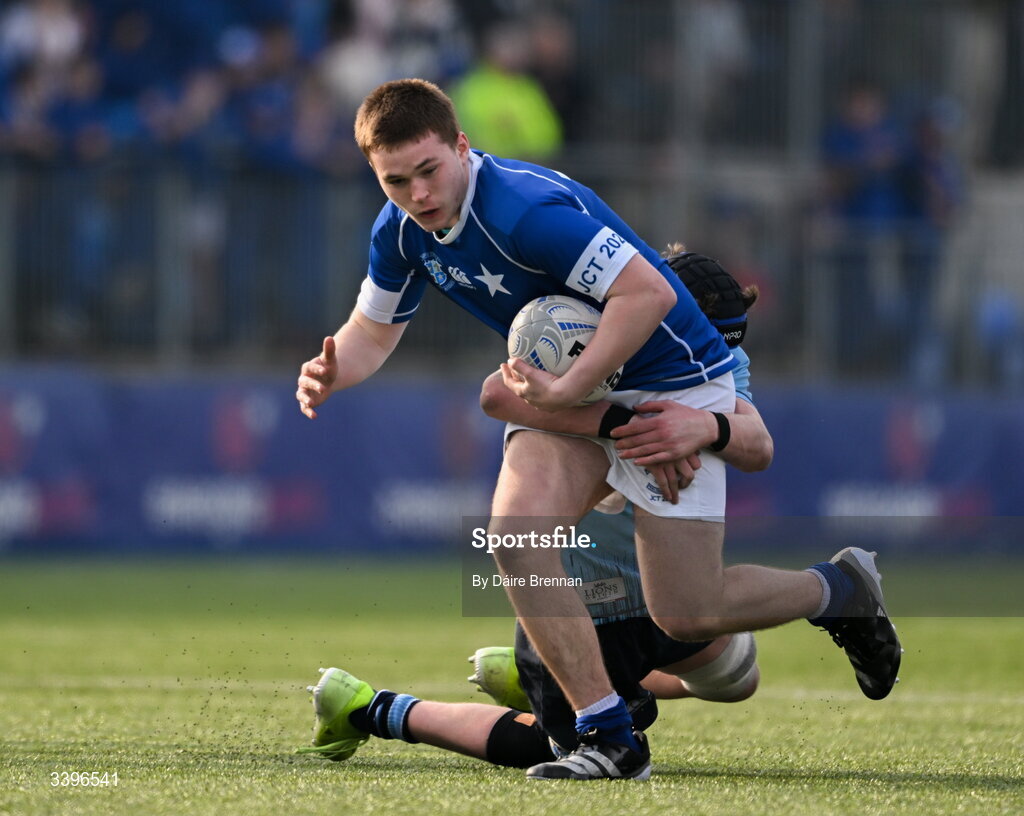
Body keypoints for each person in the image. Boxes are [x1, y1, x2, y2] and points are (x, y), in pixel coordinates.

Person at [295, 79, 901, 781]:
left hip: (672, 382)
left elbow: (648, 292)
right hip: (573, 387)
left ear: (462, 147)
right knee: (517, 534)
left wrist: (588, 395)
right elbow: (372, 333)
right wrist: (335, 369)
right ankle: (611, 738)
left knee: (688, 612)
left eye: (429, 170)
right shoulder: (398, 230)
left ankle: (839, 590)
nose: (418, 193)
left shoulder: (524, 212)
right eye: (395, 180)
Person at [297, 250, 769, 774]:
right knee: (553, 744)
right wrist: (626, 426)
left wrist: (705, 429)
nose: (713, 364)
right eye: (704, 344)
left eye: (726, 351)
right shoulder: (580, 340)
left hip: (653, 582)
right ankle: (369, 707)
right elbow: (497, 394)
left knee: (737, 675)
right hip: (584, 593)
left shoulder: (718, 365)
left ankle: (563, 673)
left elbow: (756, 444)